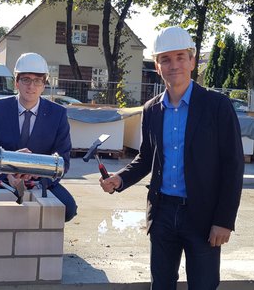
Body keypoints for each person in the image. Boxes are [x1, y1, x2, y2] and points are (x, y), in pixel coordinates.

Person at [100, 26, 244, 289]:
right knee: (161, 285)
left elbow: (233, 166)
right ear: (157, 66)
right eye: (165, 59)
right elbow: (146, 158)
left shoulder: (217, 107)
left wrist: (223, 221)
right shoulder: (151, 109)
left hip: (203, 216)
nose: (173, 64)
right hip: (163, 213)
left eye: (180, 57)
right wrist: (119, 179)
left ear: (192, 61)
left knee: (203, 285)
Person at [0, 52, 78, 222]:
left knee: (68, 209)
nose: (31, 86)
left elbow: (63, 160)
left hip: (40, 181)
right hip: (1, 177)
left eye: (37, 80)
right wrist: (8, 175)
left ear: (44, 84)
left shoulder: (58, 114)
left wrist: (37, 178)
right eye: (26, 79)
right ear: (16, 82)